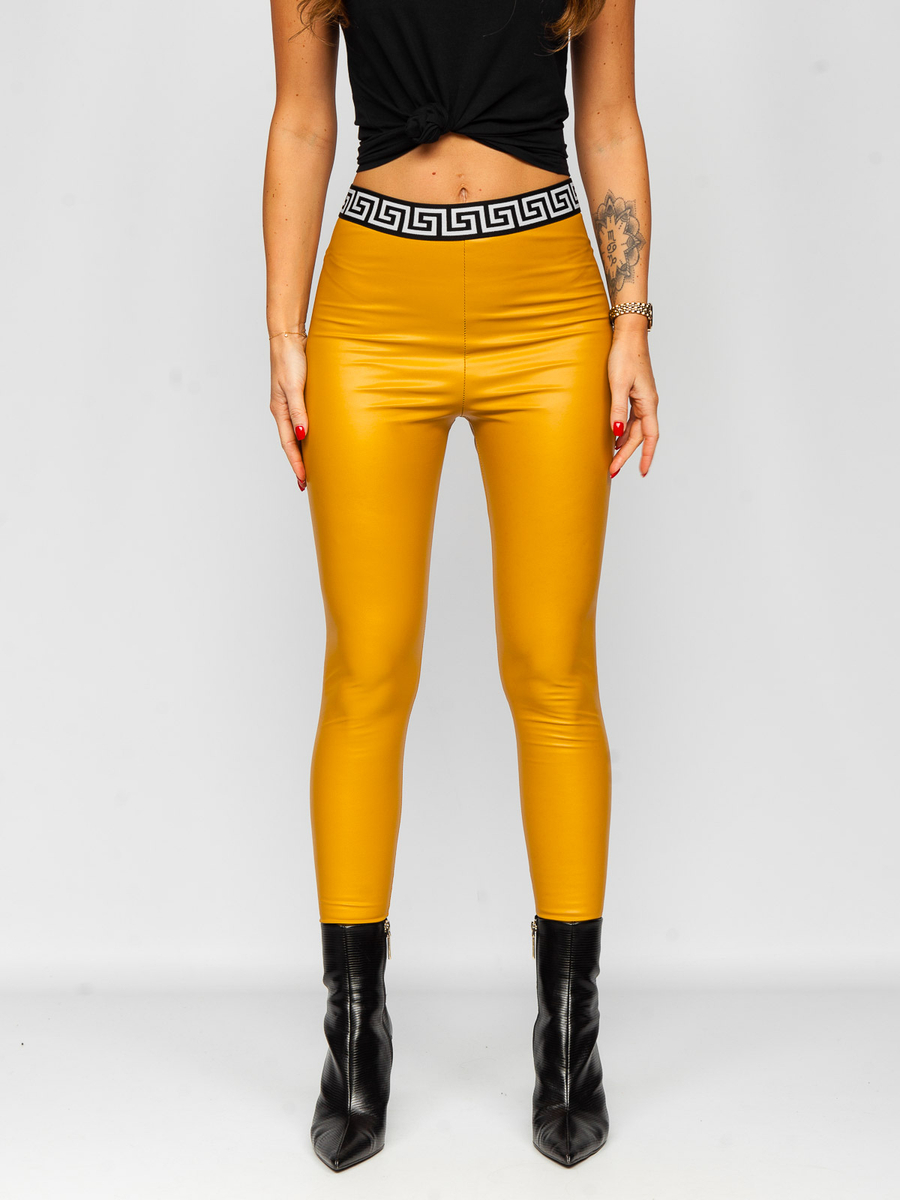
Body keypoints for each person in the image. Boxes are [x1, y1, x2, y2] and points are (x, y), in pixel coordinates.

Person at [262, 0, 660, 1173]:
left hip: (549, 304)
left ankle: (569, 1036)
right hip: (374, 308)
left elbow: (610, 118)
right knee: (366, 669)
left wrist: (632, 324)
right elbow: (301, 121)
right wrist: (284, 330)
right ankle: (354, 1032)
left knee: (553, 669)